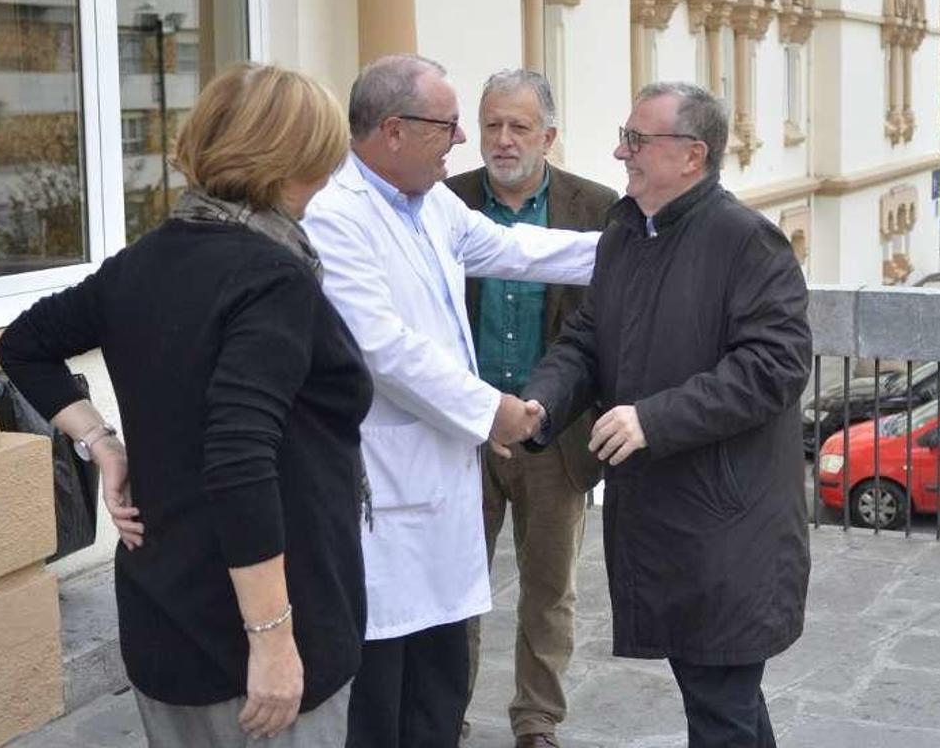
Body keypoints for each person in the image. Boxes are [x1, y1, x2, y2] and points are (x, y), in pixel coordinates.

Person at [0, 63, 370, 747]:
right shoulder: (272, 276)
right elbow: (237, 454)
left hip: (164, 614)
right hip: (263, 636)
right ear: (289, 160)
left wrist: (100, 441)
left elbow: (21, 345)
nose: (328, 177)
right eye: (321, 159)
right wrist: (273, 642)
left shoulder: (142, 262)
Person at [301, 54, 599, 748]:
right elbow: (381, 346)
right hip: (385, 485)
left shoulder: (431, 202)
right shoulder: (335, 215)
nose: (465, 140)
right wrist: (491, 409)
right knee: (384, 696)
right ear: (395, 131)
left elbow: (518, 251)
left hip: (440, 481)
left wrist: (632, 250)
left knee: (434, 688)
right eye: (451, 125)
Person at [521, 81, 812, 747]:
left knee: (720, 704)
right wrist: (542, 401)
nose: (620, 151)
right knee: (722, 699)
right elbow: (587, 340)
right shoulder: (626, 232)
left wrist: (653, 418)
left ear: (691, 155)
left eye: (636, 140)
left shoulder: (747, 240)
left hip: (728, 526)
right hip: (672, 522)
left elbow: (775, 366)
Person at [445, 69, 616, 748]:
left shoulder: (596, 209)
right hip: (462, 433)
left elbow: (610, 325)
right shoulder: (444, 202)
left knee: (549, 591)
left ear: (549, 135)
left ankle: (537, 721)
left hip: (555, 439)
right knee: (453, 589)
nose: (503, 139)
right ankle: (443, 711)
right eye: (492, 124)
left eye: (519, 126)